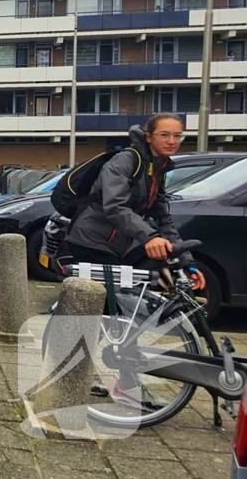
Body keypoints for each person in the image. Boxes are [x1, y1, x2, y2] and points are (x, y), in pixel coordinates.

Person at [61, 113, 205, 410]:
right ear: (149, 136)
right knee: (116, 316)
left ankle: (80, 377)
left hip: (112, 246)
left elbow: (163, 217)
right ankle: (114, 385)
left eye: (178, 136)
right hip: (88, 242)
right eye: (165, 135)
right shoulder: (127, 161)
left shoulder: (159, 168)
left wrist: (187, 263)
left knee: (110, 317)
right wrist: (148, 236)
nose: (172, 141)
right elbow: (114, 206)